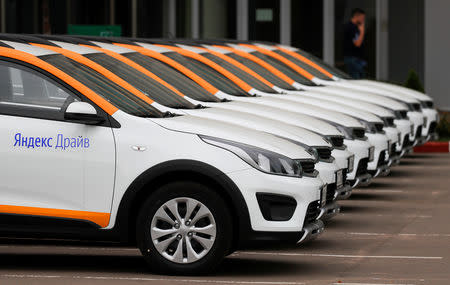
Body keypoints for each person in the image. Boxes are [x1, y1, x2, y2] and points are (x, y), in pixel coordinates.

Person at [344, 8, 367, 79]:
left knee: (359, 76)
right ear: (357, 16)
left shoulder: (355, 27)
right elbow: (357, 44)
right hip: (352, 58)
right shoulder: (351, 28)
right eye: (362, 18)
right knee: (357, 78)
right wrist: (362, 32)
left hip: (355, 57)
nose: (363, 20)